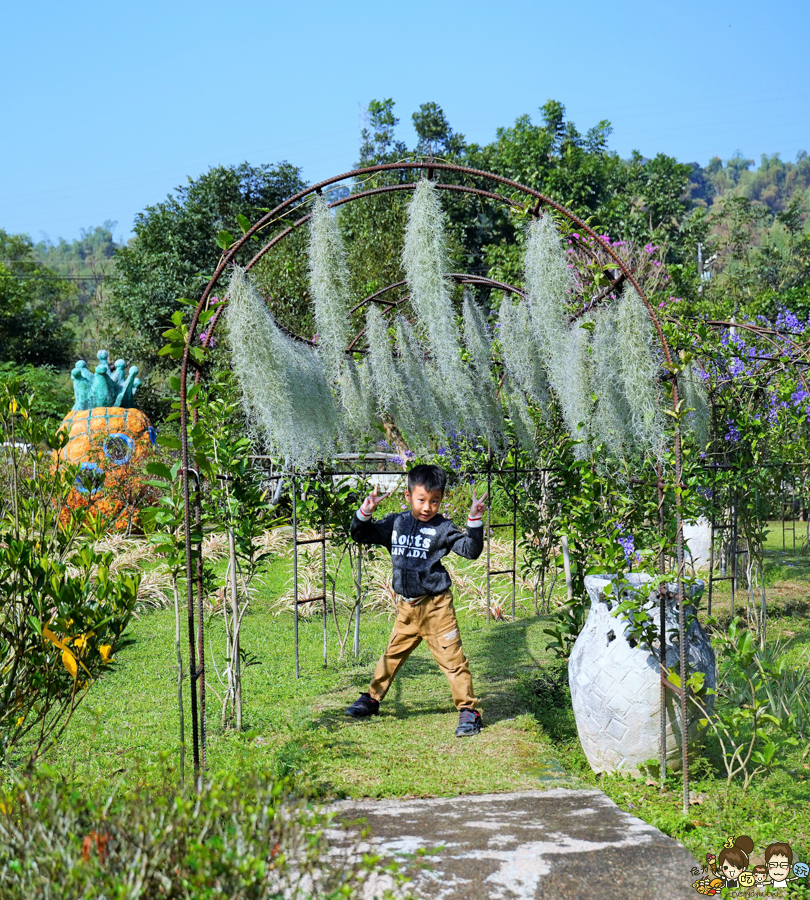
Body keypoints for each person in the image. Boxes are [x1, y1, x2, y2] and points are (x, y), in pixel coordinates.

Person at [344, 464, 487, 736]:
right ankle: (372, 699)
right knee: (392, 655)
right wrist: (366, 512)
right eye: (421, 499)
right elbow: (360, 534)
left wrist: (473, 521)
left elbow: (470, 551)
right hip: (407, 609)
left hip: (437, 609)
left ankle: (468, 711)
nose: (427, 507)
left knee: (453, 660)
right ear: (408, 496)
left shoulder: (443, 528)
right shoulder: (395, 523)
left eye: (435, 501)